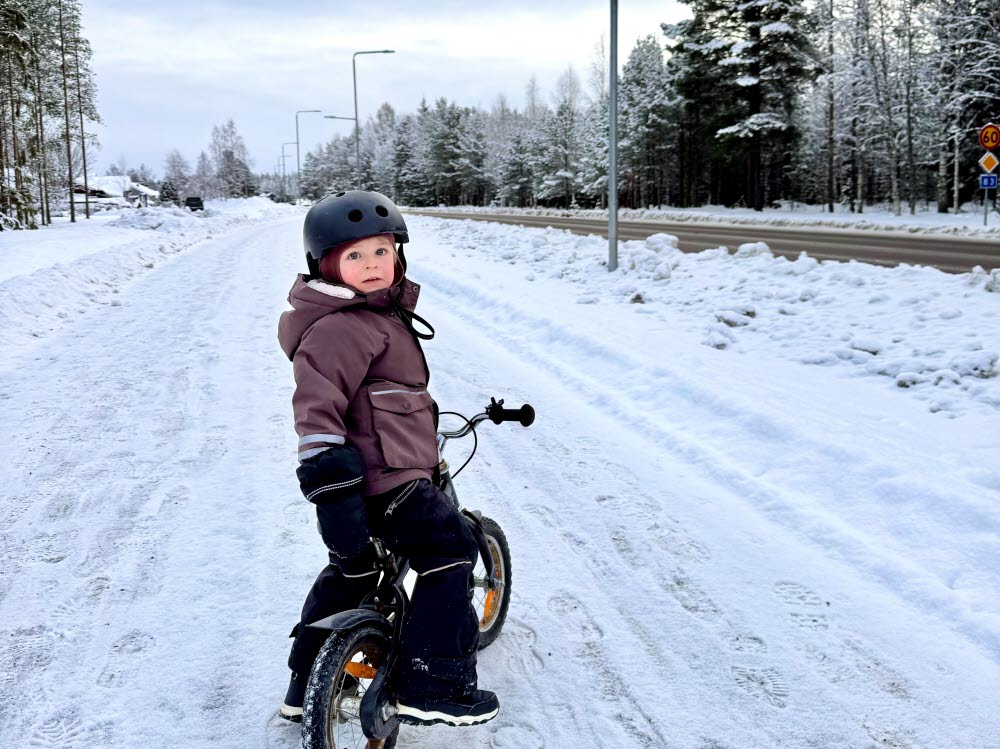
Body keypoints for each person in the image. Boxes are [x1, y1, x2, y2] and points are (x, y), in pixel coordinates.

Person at [275, 191, 499, 728]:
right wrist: (332, 490)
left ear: (398, 254)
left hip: (383, 475)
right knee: (451, 550)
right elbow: (317, 411)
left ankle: (306, 684)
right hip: (385, 480)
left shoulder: (376, 315)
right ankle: (433, 683)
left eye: (381, 251)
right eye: (354, 256)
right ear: (325, 265)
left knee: (354, 571)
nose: (372, 264)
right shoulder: (340, 327)